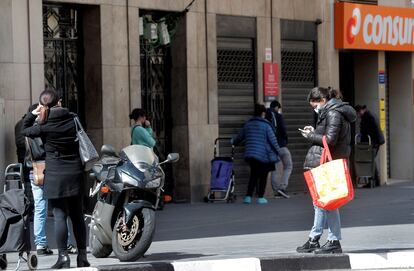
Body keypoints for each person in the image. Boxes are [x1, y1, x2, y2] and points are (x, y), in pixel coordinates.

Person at [22, 89, 89, 269]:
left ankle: (64, 258)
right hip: (75, 172)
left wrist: (32, 113)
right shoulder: (73, 118)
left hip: (56, 175)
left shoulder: (44, 125)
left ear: (43, 105)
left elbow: (25, 130)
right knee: (78, 217)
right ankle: (82, 256)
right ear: (59, 101)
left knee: (60, 216)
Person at [296, 87, 356, 254]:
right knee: (324, 203)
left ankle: (328, 240)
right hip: (329, 161)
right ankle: (320, 239)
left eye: (314, 105)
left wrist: (310, 136)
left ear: (321, 100)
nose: (314, 108)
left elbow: (329, 140)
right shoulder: (332, 111)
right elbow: (327, 136)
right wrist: (314, 132)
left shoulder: (332, 113)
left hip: (328, 163)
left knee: (325, 203)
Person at [232, 103, 280, 205]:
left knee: (253, 174)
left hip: (251, 155)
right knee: (263, 176)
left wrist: (232, 142)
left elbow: (239, 138)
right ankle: (261, 197)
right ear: (263, 113)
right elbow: (273, 141)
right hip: (263, 156)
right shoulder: (266, 125)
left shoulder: (248, 124)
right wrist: (278, 152)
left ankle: (248, 197)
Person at [265, 100, 292, 199]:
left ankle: (276, 191)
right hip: (281, 146)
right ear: (277, 107)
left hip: (272, 147)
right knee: (288, 166)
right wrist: (285, 140)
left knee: (275, 168)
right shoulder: (278, 116)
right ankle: (282, 187)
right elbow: (283, 130)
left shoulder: (266, 117)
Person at [354, 104, 385, 187]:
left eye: (358, 114)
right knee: (371, 160)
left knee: (370, 161)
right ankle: (375, 180)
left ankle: (373, 180)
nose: (358, 116)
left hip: (373, 143)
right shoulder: (370, 114)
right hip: (376, 142)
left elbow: (365, 131)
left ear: (360, 111)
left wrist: (362, 143)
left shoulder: (367, 117)